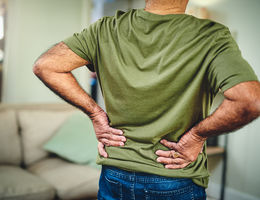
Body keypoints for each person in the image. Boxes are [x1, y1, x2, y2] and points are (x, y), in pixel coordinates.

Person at [33, 0, 260, 199]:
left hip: (115, 173)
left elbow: (46, 65)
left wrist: (95, 113)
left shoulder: (105, 29)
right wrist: (197, 135)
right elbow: (249, 100)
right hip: (173, 173)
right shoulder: (211, 36)